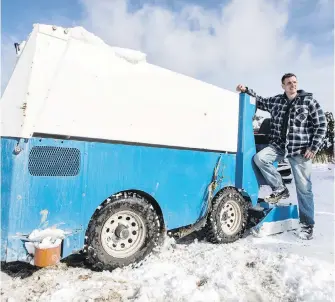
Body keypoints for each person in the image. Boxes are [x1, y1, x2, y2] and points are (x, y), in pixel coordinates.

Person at [236, 73, 327, 240]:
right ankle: (280, 188)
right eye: (288, 83)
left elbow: (321, 124)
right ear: (283, 86)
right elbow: (261, 100)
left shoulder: (308, 101)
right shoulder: (276, 101)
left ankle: (307, 225)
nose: (292, 85)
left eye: (294, 82)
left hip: (299, 149)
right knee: (260, 158)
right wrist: (246, 90)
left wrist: (313, 147)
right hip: (278, 146)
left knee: (304, 188)